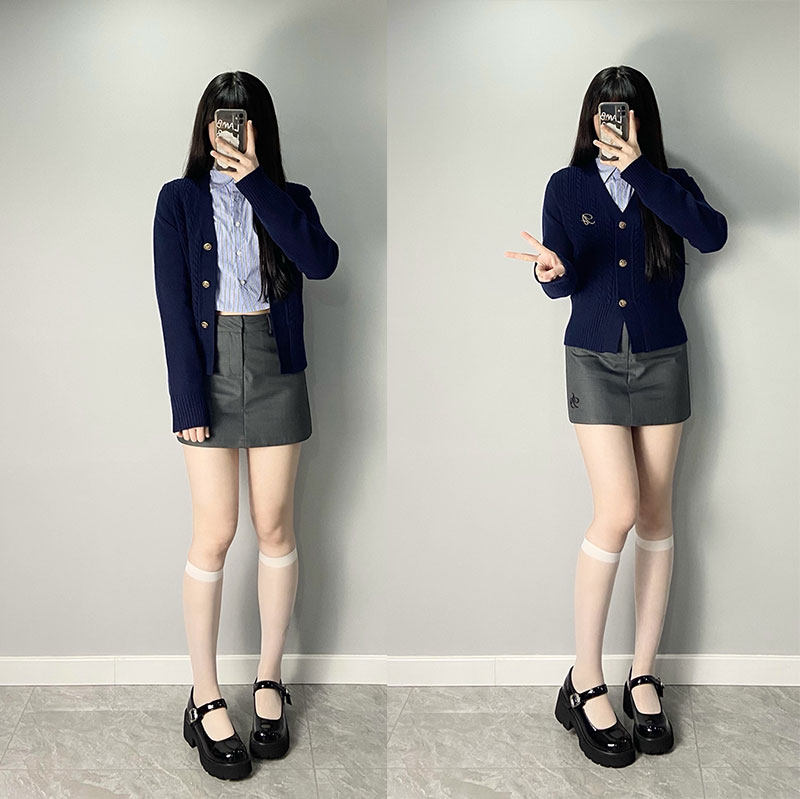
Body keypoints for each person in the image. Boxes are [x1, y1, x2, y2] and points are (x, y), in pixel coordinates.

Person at [504, 65, 727, 768]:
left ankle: (643, 675)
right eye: (606, 110)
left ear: (642, 121)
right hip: (594, 360)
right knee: (618, 509)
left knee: (657, 514)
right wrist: (551, 272)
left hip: (664, 358)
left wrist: (642, 172)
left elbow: (711, 235)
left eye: (627, 111)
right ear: (590, 117)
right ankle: (585, 678)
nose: (615, 121)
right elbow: (565, 277)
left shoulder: (670, 182)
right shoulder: (566, 186)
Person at [153, 71, 339, 781]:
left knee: (275, 525)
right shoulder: (177, 200)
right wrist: (189, 405)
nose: (229, 130)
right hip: (207, 367)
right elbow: (174, 312)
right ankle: (204, 695)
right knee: (215, 530)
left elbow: (320, 261)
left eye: (242, 120)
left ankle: (268, 678)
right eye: (220, 119)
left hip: (274, 363)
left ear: (259, 130)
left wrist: (256, 180)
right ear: (205, 127)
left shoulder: (288, 197)